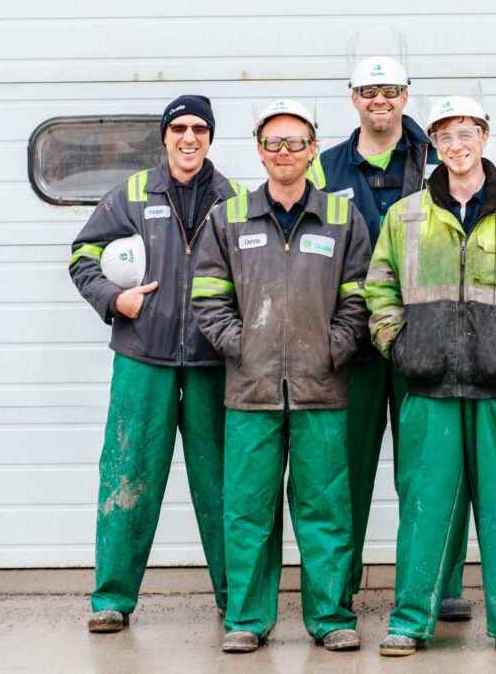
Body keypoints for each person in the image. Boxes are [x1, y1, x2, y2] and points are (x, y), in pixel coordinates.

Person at [365, 95, 496, 656]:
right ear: (433, 145)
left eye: (467, 134)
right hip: (427, 384)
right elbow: (378, 287)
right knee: (425, 506)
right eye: (446, 136)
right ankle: (410, 622)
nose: (457, 146)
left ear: (485, 137)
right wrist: (399, 345)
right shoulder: (404, 216)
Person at [191, 99, 371, 653]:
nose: (284, 152)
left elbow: (361, 295)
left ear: (313, 149)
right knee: (248, 511)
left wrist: (333, 348)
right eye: (273, 143)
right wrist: (240, 347)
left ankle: (331, 617)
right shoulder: (230, 217)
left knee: (325, 510)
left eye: (295, 142)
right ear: (260, 150)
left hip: (322, 389)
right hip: (251, 391)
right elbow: (207, 295)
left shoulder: (343, 218)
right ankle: (246, 619)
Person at [308, 56, 471, 621]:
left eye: (392, 90)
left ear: (407, 95)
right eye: (369, 90)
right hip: (351, 344)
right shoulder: (324, 169)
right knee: (342, 472)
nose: (381, 99)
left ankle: (438, 585)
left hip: (424, 342)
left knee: (431, 467)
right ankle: (339, 586)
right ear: (352, 97)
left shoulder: (436, 160)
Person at [69, 95, 237, 633]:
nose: (189, 138)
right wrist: (112, 301)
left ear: (211, 137)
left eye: (200, 129)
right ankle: (112, 598)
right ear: (164, 136)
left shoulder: (232, 198)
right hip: (143, 357)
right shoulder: (132, 194)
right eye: (179, 128)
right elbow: (82, 255)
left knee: (225, 484)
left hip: (214, 361)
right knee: (129, 473)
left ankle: (235, 597)